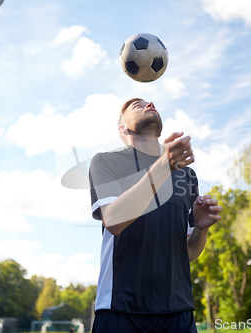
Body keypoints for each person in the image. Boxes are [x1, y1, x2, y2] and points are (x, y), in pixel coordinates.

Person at [89, 98, 222, 333]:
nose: (148, 103)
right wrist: (164, 166)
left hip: (178, 312)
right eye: (136, 105)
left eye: (149, 102)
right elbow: (114, 221)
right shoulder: (106, 161)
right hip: (120, 309)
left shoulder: (186, 175)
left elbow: (188, 252)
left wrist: (201, 229)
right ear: (123, 127)